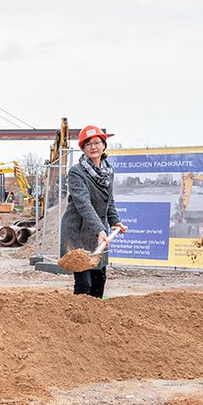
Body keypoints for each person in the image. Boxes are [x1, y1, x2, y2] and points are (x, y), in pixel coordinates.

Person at [60, 125, 127, 298]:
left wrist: (114, 221)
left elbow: (109, 200)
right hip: (77, 231)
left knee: (99, 280)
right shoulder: (77, 172)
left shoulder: (108, 172)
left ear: (103, 145)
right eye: (88, 144)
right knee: (84, 283)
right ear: (83, 148)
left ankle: (95, 322)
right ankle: (79, 321)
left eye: (97, 142)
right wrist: (100, 229)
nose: (93, 147)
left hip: (98, 231)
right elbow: (83, 203)